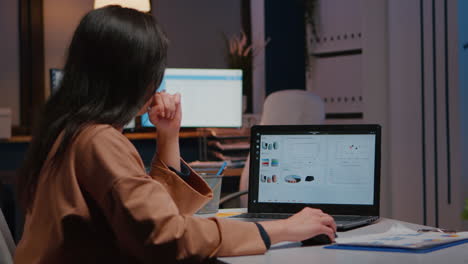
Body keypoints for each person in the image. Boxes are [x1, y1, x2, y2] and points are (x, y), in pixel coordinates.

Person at [14, 6, 336, 264]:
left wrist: (168, 136)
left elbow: (155, 217)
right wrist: (281, 229)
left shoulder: (69, 130)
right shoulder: (98, 141)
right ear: (134, 77)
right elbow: (168, 238)